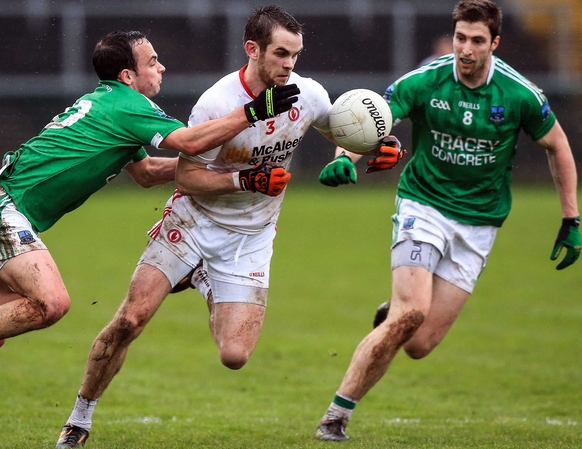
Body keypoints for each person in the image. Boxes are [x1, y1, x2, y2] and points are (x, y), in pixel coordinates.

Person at [0, 30, 299, 449]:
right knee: (51, 303)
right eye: (152, 62)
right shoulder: (130, 104)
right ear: (128, 75)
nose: (162, 67)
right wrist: (251, 113)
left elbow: (147, 173)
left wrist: (225, 169)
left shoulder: (110, 105)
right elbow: (187, 142)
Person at [53, 5, 404, 448]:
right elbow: (186, 177)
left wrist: (378, 148)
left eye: (295, 54)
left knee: (235, 356)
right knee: (130, 318)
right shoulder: (217, 103)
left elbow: (347, 132)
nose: (289, 64)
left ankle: (201, 278)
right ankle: (79, 419)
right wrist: (247, 179)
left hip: (251, 236)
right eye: (280, 54)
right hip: (193, 219)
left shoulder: (308, 93)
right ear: (252, 49)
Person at [314, 0, 582, 441]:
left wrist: (571, 219)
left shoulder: (519, 94)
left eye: (477, 40)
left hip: (479, 225)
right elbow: (371, 119)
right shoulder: (425, 80)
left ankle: (394, 313)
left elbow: (558, 145)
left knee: (418, 344)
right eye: (460, 38)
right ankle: (335, 416)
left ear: (495, 43)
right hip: (423, 206)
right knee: (411, 312)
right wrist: (344, 157)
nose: (466, 49)